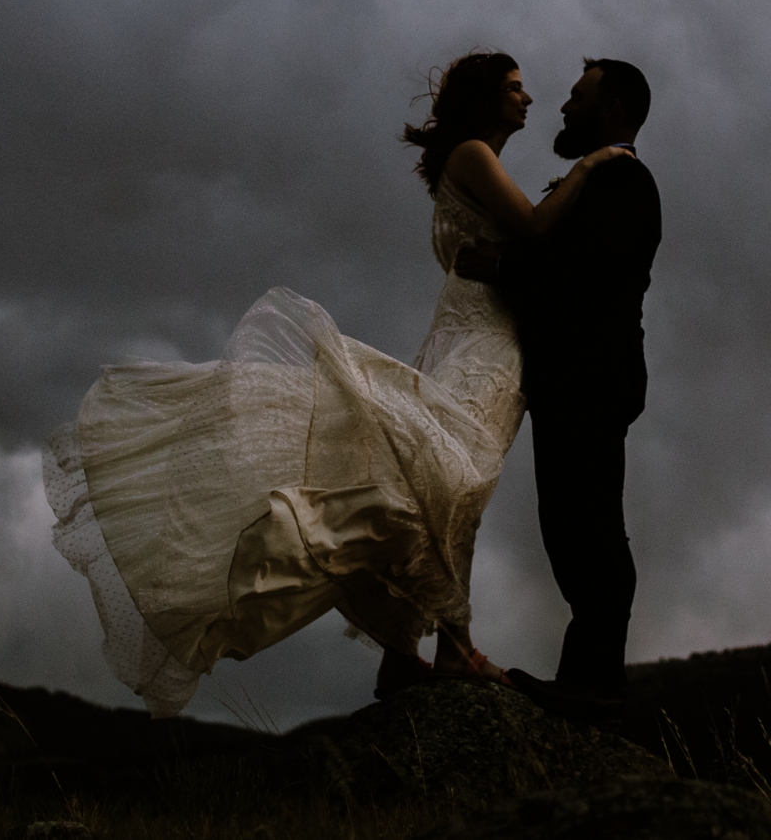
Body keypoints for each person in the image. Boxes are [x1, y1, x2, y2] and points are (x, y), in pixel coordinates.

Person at [42, 51, 630, 716]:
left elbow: (510, 246)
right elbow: (532, 230)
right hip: (483, 341)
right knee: (453, 474)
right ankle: (447, 647)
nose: (529, 99)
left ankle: (406, 653)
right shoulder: (471, 153)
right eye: (515, 89)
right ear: (485, 98)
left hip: (475, 333)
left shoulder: (473, 159)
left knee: (439, 476)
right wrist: (590, 165)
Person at [457, 58, 660, 728]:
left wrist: (500, 264)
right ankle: (586, 681)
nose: (563, 109)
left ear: (612, 111)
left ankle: (595, 684)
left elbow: (588, 274)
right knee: (574, 530)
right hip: (575, 380)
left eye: (577, 98)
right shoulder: (601, 179)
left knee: (590, 531)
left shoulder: (625, 181)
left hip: (592, 378)